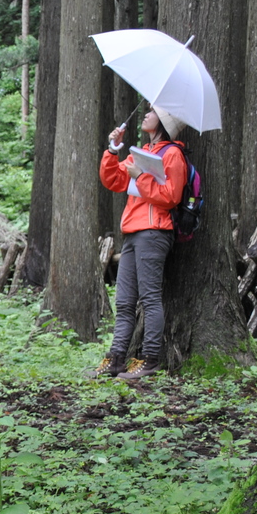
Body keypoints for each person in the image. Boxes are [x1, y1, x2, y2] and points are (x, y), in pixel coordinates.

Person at [88, 104, 189, 379]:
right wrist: (113, 149)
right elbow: (112, 179)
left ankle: (150, 359)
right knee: (124, 302)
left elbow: (171, 197)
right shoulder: (144, 153)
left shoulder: (173, 154)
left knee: (149, 299)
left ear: (164, 121)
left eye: (152, 111)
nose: (145, 114)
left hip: (154, 232)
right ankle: (116, 359)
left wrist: (141, 177)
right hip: (133, 232)